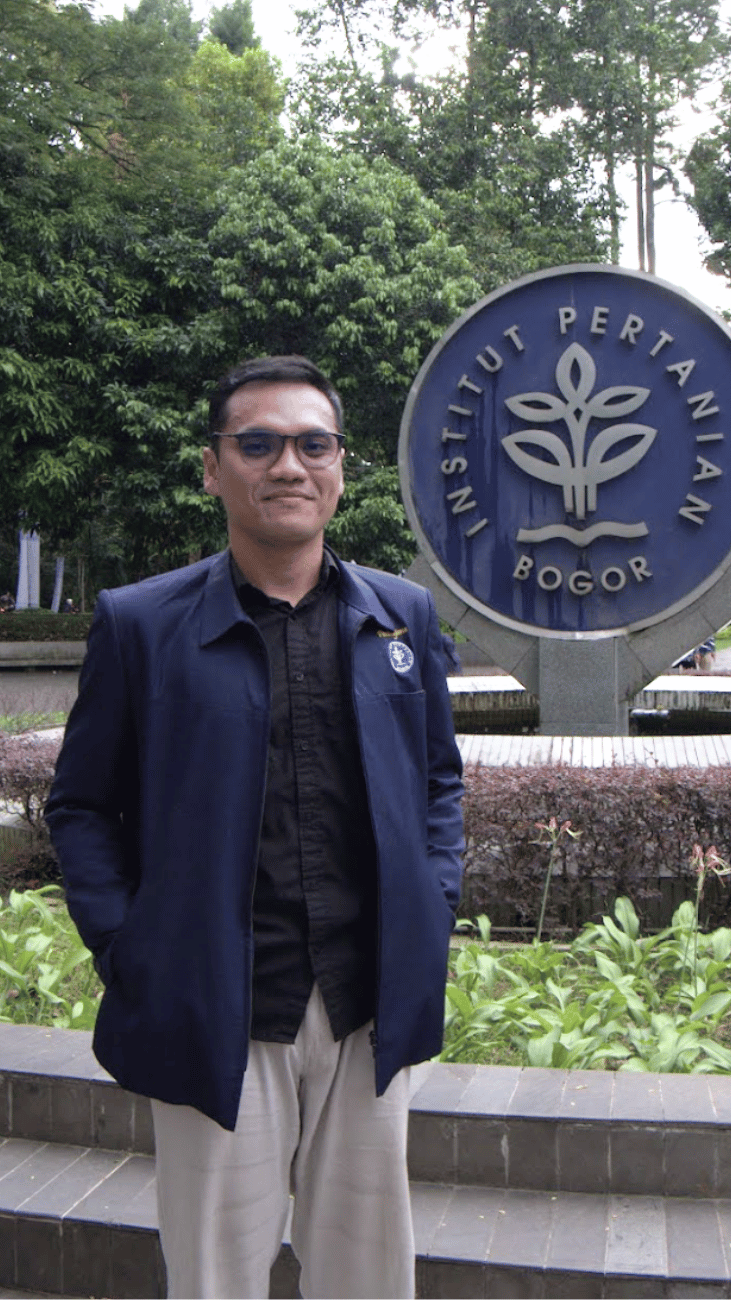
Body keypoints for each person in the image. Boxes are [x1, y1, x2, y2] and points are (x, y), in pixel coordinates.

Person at [44, 354, 465, 1300]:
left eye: (313, 444)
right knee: (213, 1278)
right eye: (260, 444)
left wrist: (434, 903)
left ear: (340, 467)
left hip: (366, 1003)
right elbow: (81, 805)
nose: (288, 466)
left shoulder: (399, 616)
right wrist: (130, 946)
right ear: (213, 467)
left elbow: (439, 779)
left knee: (367, 1276)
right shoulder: (141, 624)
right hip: (216, 1004)